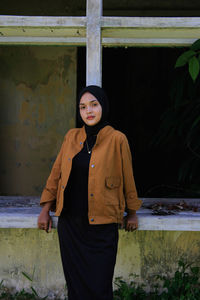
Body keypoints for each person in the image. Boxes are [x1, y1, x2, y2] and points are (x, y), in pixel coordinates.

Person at [37, 85, 142, 300]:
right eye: (83, 107)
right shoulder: (71, 137)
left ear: (103, 105)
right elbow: (56, 174)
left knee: (100, 287)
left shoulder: (117, 139)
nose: (89, 111)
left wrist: (132, 212)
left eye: (94, 105)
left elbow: (128, 179)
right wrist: (45, 210)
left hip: (102, 226)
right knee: (76, 289)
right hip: (70, 225)